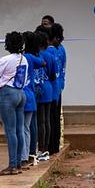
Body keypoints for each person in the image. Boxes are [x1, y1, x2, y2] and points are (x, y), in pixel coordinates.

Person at [0, 32, 29, 176]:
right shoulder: (24, 59)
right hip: (21, 93)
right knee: (19, 130)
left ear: (7, 44)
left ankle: (12, 165)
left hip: (8, 94)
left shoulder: (5, 59)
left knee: (10, 131)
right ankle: (18, 164)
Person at [22, 30, 45, 166]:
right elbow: (43, 63)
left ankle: (27, 154)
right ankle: (32, 151)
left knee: (25, 126)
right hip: (35, 91)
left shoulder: (25, 57)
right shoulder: (35, 56)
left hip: (27, 92)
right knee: (32, 124)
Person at [32, 28, 55, 162]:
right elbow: (53, 74)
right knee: (46, 120)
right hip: (48, 88)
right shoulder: (50, 56)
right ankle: (45, 147)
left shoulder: (35, 55)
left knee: (39, 120)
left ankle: (40, 148)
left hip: (38, 88)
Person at [47, 23, 66, 155]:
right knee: (54, 118)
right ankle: (55, 144)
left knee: (50, 118)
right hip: (57, 87)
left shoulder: (51, 52)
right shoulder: (60, 49)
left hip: (51, 89)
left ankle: (50, 145)